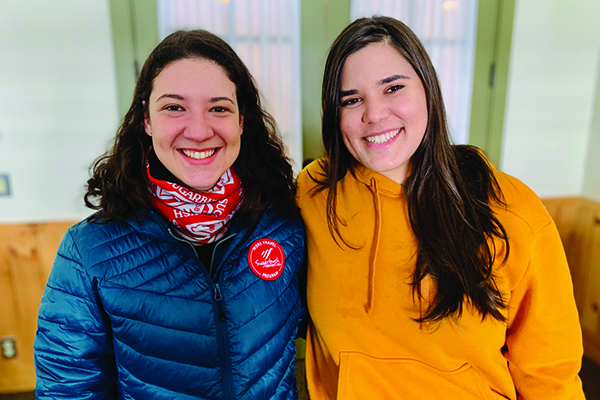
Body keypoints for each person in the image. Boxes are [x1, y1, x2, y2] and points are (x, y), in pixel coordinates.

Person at [296, 16, 585, 400]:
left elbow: (551, 375)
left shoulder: (510, 208)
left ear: (428, 90)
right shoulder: (314, 193)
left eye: (393, 88)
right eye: (351, 99)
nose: (374, 114)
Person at [34, 29, 305, 399]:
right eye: (174, 107)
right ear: (147, 119)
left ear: (242, 120)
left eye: (219, 108)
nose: (198, 130)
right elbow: (68, 391)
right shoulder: (88, 251)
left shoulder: (286, 224)